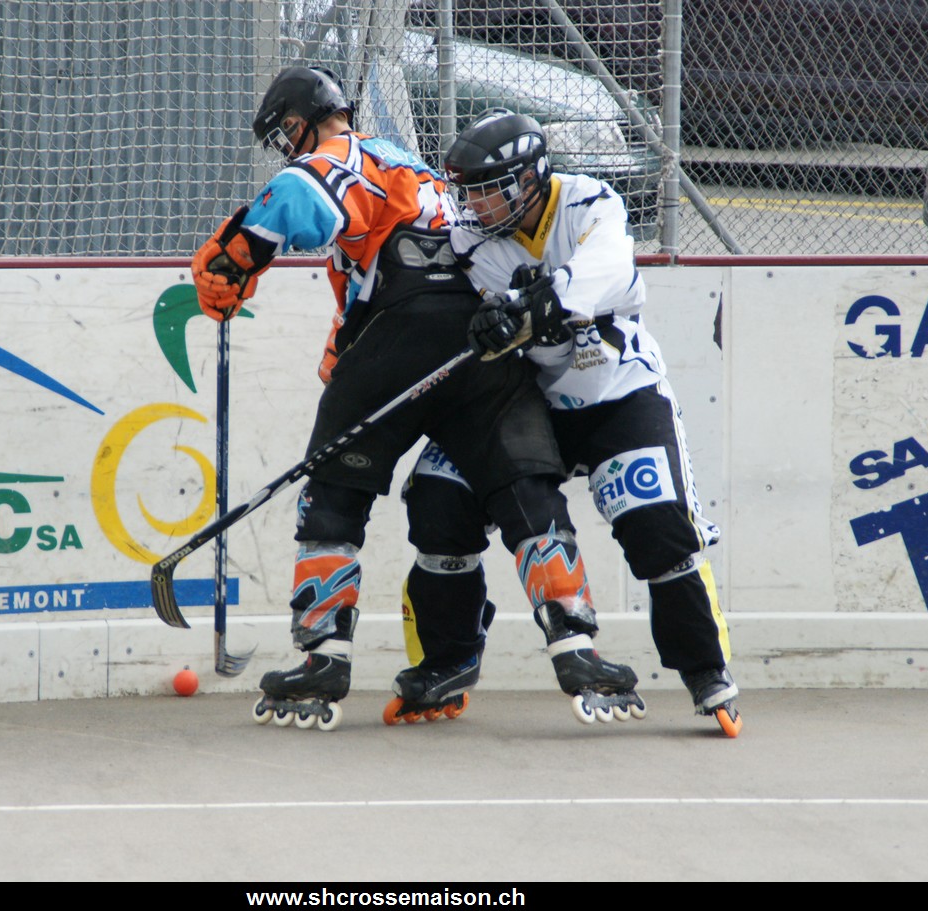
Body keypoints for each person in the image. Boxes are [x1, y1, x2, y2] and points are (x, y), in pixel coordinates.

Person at [190, 67, 638, 731]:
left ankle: (323, 658)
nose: (287, 148)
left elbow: (302, 197)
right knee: (523, 487)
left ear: (308, 120)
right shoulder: (416, 169)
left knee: (333, 493)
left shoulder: (345, 152)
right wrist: (345, 352)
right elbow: (382, 272)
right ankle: (577, 649)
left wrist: (233, 257)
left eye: (286, 133)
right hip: (484, 335)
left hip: (404, 333)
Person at [392, 108, 741, 736]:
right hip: (525, 404)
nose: (472, 205)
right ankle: (446, 660)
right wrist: (494, 323)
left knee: (660, 528)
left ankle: (706, 671)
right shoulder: (471, 238)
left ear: (529, 179)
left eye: (486, 190)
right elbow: (502, 315)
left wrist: (540, 300)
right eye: (466, 192)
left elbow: (613, 271)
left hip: (619, 395)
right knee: (439, 499)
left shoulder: (590, 201)